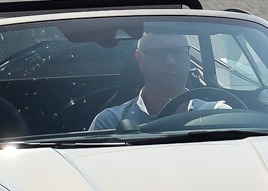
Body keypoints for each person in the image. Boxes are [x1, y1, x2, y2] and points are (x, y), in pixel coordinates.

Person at [88, 29, 222, 131]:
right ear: (139, 59)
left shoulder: (218, 115)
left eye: (179, 52)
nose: (170, 62)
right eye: (159, 53)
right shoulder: (110, 123)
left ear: (188, 57)